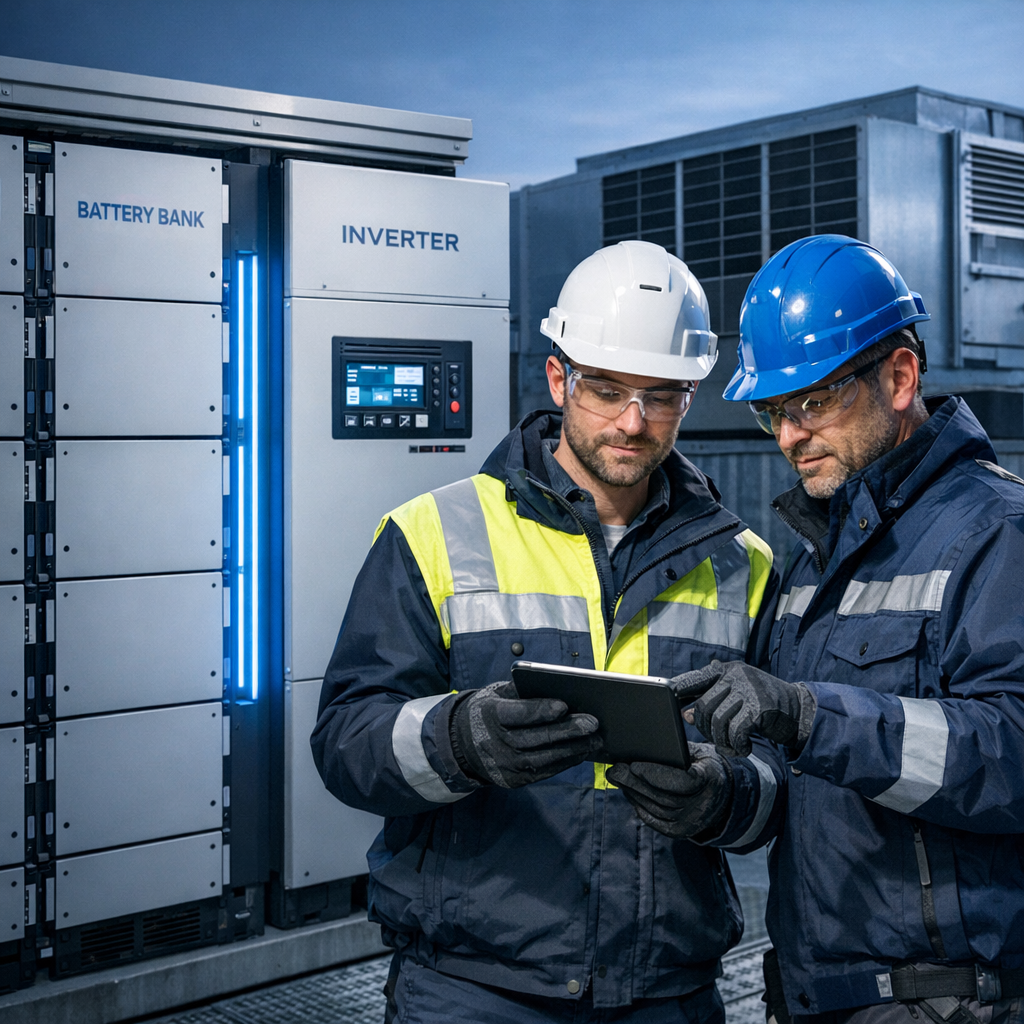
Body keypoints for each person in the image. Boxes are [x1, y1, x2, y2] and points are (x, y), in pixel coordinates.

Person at [311, 240, 783, 1024]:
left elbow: (784, 778)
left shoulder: (747, 565)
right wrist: (461, 740)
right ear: (559, 377)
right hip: (472, 989)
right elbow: (345, 744)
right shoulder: (432, 532)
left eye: (660, 395)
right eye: (606, 389)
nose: (633, 422)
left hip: (667, 991)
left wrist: (724, 796)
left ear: (690, 396)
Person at [626, 235, 1024, 1024]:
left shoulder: (999, 533)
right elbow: (797, 781)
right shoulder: (814, 564)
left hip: (949, 1005)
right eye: (774, 410)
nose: (787, 437)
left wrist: (813, 715)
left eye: (812, 401)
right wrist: (719, 796)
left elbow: (1010, 752)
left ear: (900, 377)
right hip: (817, 998)